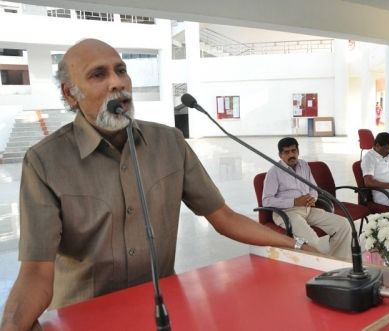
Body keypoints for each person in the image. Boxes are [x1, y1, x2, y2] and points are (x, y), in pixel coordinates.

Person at [0, 39, 319, 331]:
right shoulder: (44, 161)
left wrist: (299, 248)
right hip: (84, 316)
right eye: (98, 75)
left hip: (162, 309)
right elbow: (36, 272)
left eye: (121, 70)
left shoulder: (169, 142)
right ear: (70, 94)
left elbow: (223, 217)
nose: (118, 83)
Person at [262, 137, 351, 260]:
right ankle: (318, 268)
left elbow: (313, 188)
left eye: (294, 151)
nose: (291, 155)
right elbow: (266, 201)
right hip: (287, 213)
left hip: (308, 208)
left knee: (343, 225)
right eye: (286, 152)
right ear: (280, 155)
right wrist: (294, 201)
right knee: (312, 241)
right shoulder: (274, 172)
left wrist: (312, 198)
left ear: (298, 151)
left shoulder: (303, 165)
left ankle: (338, 263)